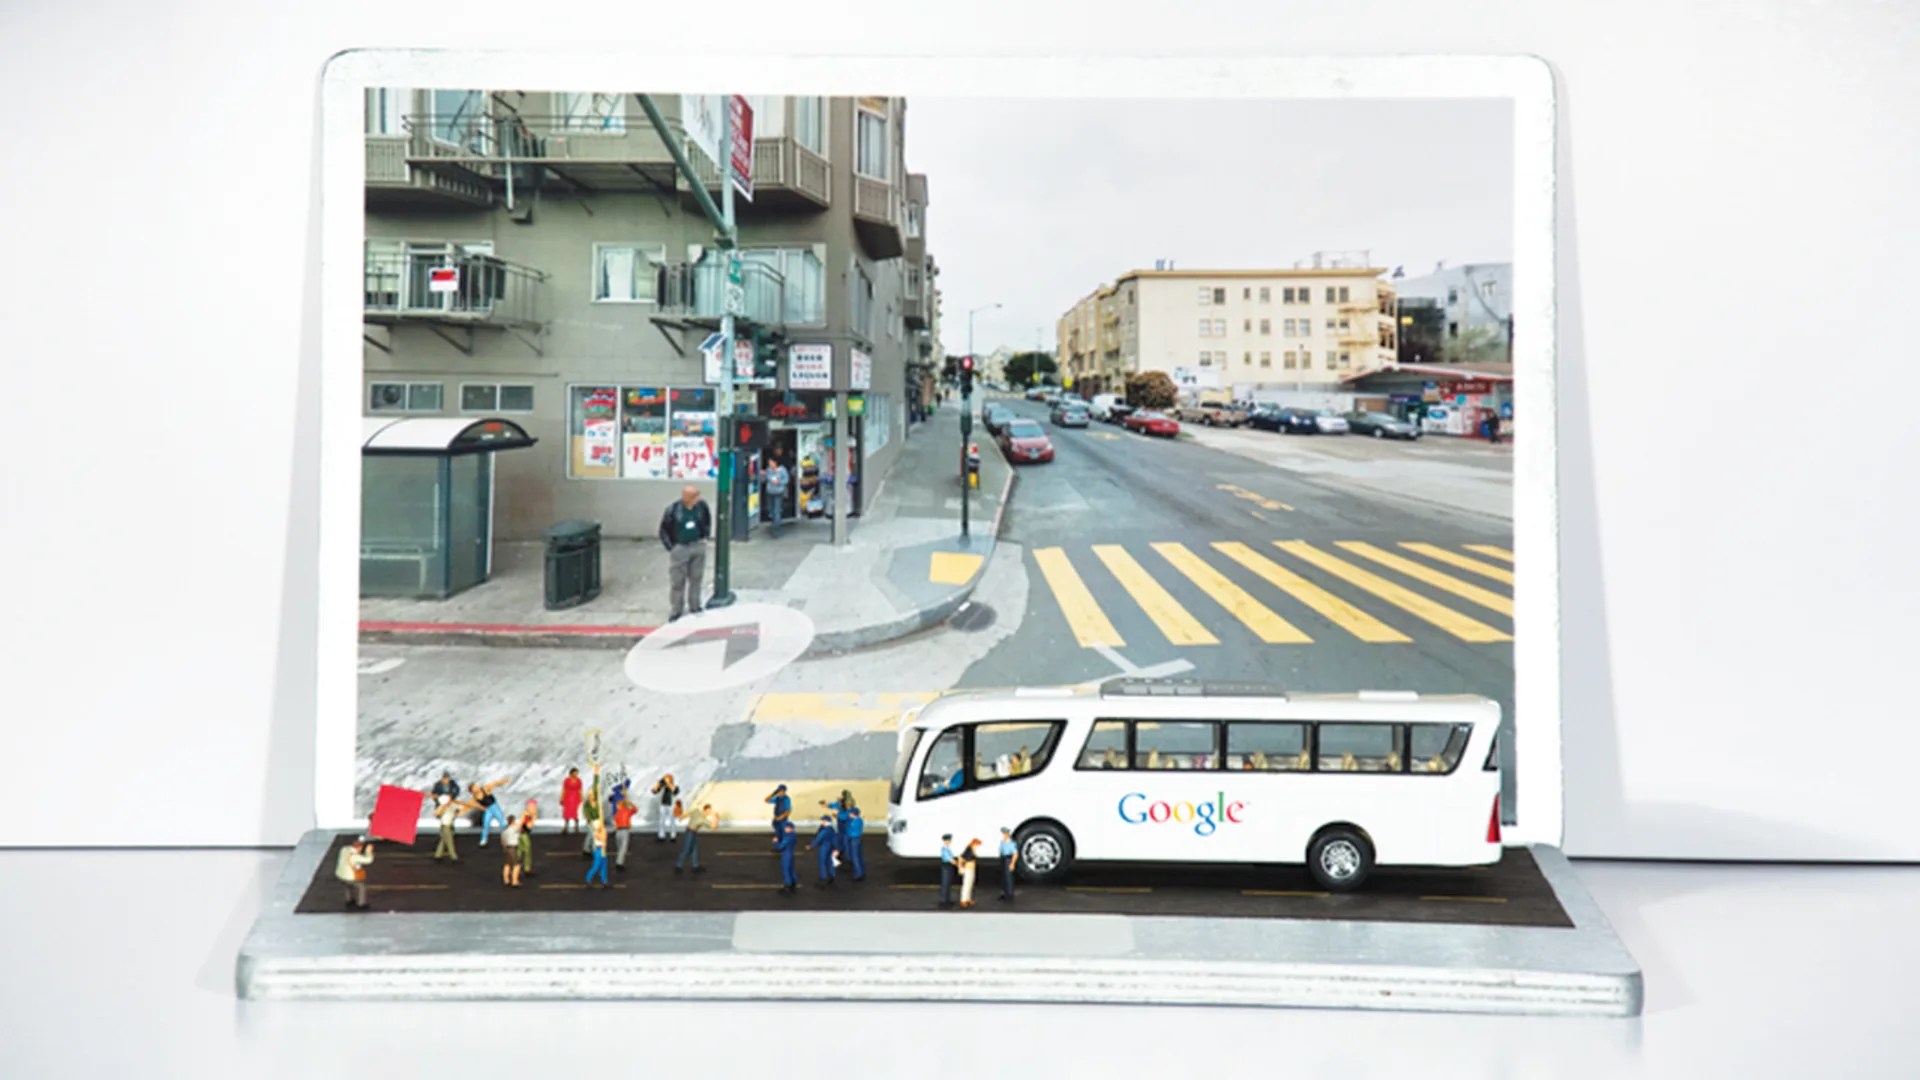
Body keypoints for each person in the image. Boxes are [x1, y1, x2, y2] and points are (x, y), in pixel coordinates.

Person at [658, 484, 713, 621]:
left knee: (696, 578)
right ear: (686, 497)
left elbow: (706, 521)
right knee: (678, 580)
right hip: (680, 547)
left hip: (697, 545)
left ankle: (695, 605)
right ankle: (676, 609)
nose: (698, 499)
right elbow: (664, 529)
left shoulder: (701, 507)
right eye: (694, 497)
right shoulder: (673, 509)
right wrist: (672, 547)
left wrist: (704, 537)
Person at [468, 777, 512, 847]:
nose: (477, 787)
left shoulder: (484, 788)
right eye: (475, 787)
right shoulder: (475, 797)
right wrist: (461, 812)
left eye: (476, 786)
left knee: (502, 823)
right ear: (472, 791)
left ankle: (506, 839)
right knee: (486, 824)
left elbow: (495, 783)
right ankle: (483, 840)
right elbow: (470, 805)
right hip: (488, 810)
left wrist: (504, 780)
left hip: (494, 807)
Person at [335, 836, 374, 910]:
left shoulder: (344, 849)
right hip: (349, 876)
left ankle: (348, 900)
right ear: (359, 848)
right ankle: (361, 904)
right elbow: (368, 860)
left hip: (340, 874)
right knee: (361, 887)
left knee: (347, 886)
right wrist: (368, 852)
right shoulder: (354, 856)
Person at [675, 803, 714, 874]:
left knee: (694, 849)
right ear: (705, 809)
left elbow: (688, 813)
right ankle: (678, 865)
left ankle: (695, 866)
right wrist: (682, 817)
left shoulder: (700, 815)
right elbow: (713, 826)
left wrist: (682, 817)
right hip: (690, 832)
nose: (710, 813)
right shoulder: (700, 815)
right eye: (709, 811)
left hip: (692, 832)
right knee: (687, 849)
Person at [808, 814, 840, 887]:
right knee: (829, 861)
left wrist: (811, 845)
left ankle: (823, 876)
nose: (822, 821)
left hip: (824, 847)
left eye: (823, 820)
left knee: (822, 862)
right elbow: (834, 839)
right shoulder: (831, 829)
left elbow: (819, 839)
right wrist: (836, 848)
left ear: (826, 821)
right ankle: (832, 874)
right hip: (830, 847)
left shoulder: (824, 830)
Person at [764, 454, 790, 537]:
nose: (769, 464)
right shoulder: (768, 470)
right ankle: (774, 523)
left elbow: (786, 479)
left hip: (778, 492)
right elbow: (766, 477)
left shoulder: (782, 470)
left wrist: (779, 482)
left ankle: (776, 528)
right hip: (770, 492)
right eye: (769, 463)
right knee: (771, 510)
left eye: (771, 462)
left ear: (775, 463)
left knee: (777, 510)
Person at [612, 791, 637, 871]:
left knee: (620, 848)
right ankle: (619, 863)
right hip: (624, 831)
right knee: (623, 848)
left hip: (619, 831)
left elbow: (616, 824)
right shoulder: (626, 811)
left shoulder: (617, 814)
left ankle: (619, 862)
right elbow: (635, 809)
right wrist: (629, 803)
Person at [772, 817, 799, 894]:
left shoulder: (787, 837)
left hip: (786, 854)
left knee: (786, 869)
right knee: (791, 868)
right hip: (791, 853)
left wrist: (775, 842)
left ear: (789, 828)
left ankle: (787, 884)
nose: (785, 829)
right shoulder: (793, 835)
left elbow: (780, 847)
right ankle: (793, 880)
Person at [652, 773, 681, 843]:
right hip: (663, 804)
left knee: (672, 821)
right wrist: (658, 784)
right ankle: (661, 835)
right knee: (661, 820)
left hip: (672, 805)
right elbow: (654, 791)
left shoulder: (674, 786)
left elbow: (675, 791)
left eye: (667, 779)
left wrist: (669, 784)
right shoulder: (662, 787)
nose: (665, 781)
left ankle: (673, 836)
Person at [500, 811, 525, 887]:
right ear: (513, 821)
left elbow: (502, 841)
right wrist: (524, 815)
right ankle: (515, 881)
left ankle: (506, 880)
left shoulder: (505, 830)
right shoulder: (513, 828)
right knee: (516, 865)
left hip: (506, 848)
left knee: (507, 864)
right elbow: (520, 824)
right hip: (513, 848)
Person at [843, 807, 867, 882]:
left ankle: (858, 873)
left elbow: (848, 828)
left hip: (854, 839)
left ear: (853, 814)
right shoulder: (859, 820)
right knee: (859, 856)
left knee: (855, 857)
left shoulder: (854, 822)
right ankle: (862, 871)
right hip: (858, 839)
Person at [586, 817, 610, 888]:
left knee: (604, 866)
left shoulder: (602, 830)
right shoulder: (595, 832)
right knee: (596, 866)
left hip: (603, 850)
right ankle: (588, 879)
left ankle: (604, 881)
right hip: (598, 850)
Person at [559, 768, 583, 837]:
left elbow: (580, 790)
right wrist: (562, 798)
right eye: (575, 773)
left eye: (577, 773)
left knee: (575, 813)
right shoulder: (567, 780)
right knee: (567, 813)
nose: (576, 774)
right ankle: (566, 827)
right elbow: (564, 789)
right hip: (568, 798)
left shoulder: (579, 781)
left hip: (575, 798)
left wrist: (581, 798)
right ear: (571, 773)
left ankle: (576, 827)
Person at [957, 839, 981, 908]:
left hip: (972, 869)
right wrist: (960, 868)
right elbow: (960, 858)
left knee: (970, 884)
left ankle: (968, 899)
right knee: (966, 884)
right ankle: (963, 900)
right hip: (967, 869)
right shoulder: (968, 850)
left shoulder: (973, 850)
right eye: (977, 845)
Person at [996, 827, 1018, 901]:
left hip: (1008, 859)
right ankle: (1003, 893)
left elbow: (1015, 854)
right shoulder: (1002, 842)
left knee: (1008, 877)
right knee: (1003, 877)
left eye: (1004, 834)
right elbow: (1001, 850)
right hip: (1003, 858)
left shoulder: (1011, 843)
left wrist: (1012, 863)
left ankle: (1009, 894)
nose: (1003, 835)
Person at [937, 834, 957, 909]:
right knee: (945, 883)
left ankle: (947, 899)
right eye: (948, 840)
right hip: (946, 866)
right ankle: (944, 901)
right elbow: (950, 859)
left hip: (948, 866)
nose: (949, 842)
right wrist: (957, 863)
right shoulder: (944, 849)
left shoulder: (947, 849)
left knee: (948, 883)